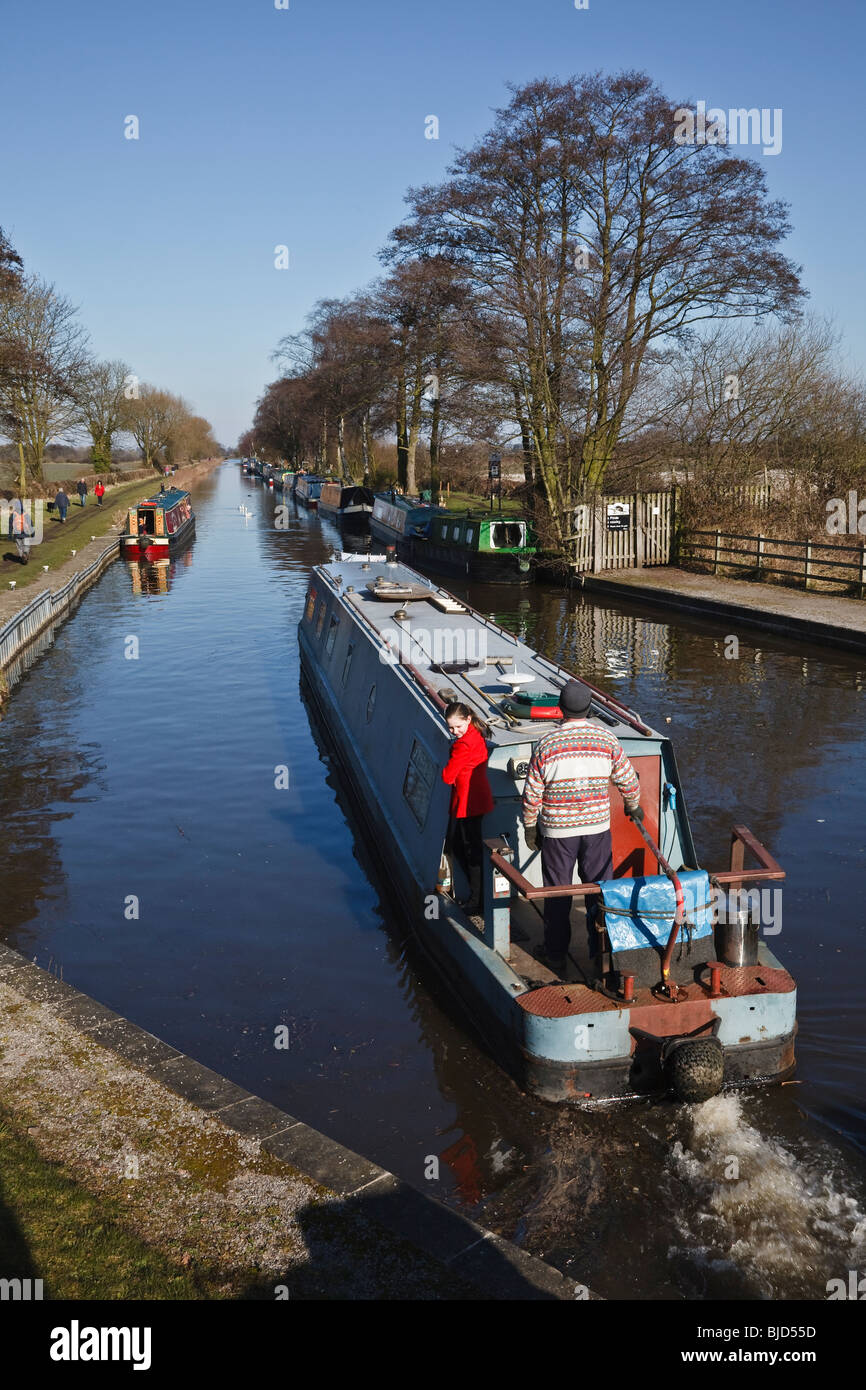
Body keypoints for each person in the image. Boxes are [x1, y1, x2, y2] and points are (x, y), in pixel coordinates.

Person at [522, 678, 642, 974]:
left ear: (560, 709)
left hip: (557, 833)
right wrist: (633, 805)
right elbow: (628, 780)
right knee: (601, 889)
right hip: (596, 829)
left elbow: (532, 793)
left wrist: (529, 826)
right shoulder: (607, 740)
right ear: (590, 709)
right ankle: (602, 953)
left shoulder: (545, 744)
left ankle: (555, 955)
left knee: (558, 894)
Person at [441, 701, 495, 916]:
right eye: (451, 728)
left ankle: (476, 900)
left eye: (458, 727)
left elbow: (447, 777)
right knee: (467, 845)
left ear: (468, 719)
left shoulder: (462, 745)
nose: (455, 732)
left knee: (468, 850)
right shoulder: (475, 734)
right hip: (478, 797)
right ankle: (478, 895)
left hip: (467, 802)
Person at [9, 498, 33, 564]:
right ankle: (25, 553)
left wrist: (10, 535)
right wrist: (33, 533)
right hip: (26, 533)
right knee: (26, 545)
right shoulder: (26, 514)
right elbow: (30, 524)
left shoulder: (13, 515)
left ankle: (22, 556)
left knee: (19, 547)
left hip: (17, 534)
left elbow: (10, 526)